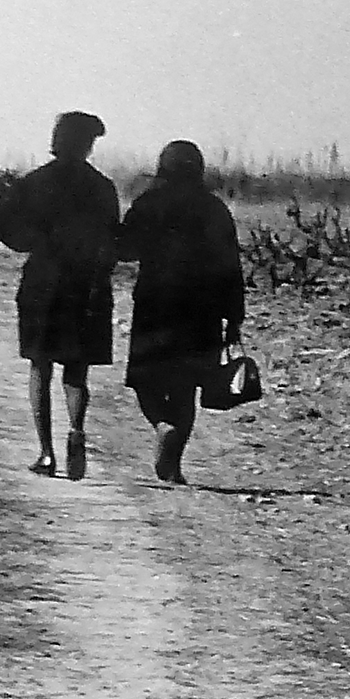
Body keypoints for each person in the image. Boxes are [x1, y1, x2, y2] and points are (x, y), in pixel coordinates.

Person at [1, 110, 120, 478]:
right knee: (77, 370)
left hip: (43, 281)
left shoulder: (34, 183)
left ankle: (46, 453)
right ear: (88, 144)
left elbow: (13, 235)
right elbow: (112, 241)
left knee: (40, 366)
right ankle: (77, 429)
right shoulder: (102, 187)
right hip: (85, 284)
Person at [119, 140, 245, 485]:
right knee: (186, 387)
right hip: (202, 312)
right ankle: (172, 464)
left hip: (155, 306)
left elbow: (126, 248)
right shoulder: (215, 209)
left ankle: (162, 424)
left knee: (145, 379)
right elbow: (231, 267)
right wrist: (234, 318)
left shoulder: (149, 203)